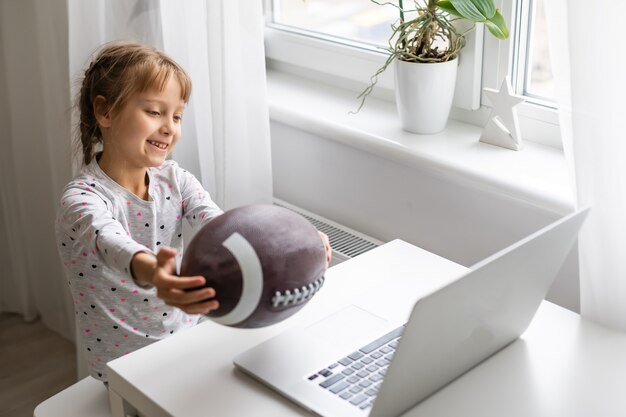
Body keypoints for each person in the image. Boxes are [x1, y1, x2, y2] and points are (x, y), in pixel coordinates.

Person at [55, 41, 332, 382]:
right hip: (124, 367)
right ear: (105, 112)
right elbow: (110, 243)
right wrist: (155, 272)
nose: (170, 127)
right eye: (155, 112)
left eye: (177, 116)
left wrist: (298, 239)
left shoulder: (176, 178)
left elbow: (224, 226)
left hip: (189, 345)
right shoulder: (82, 200)